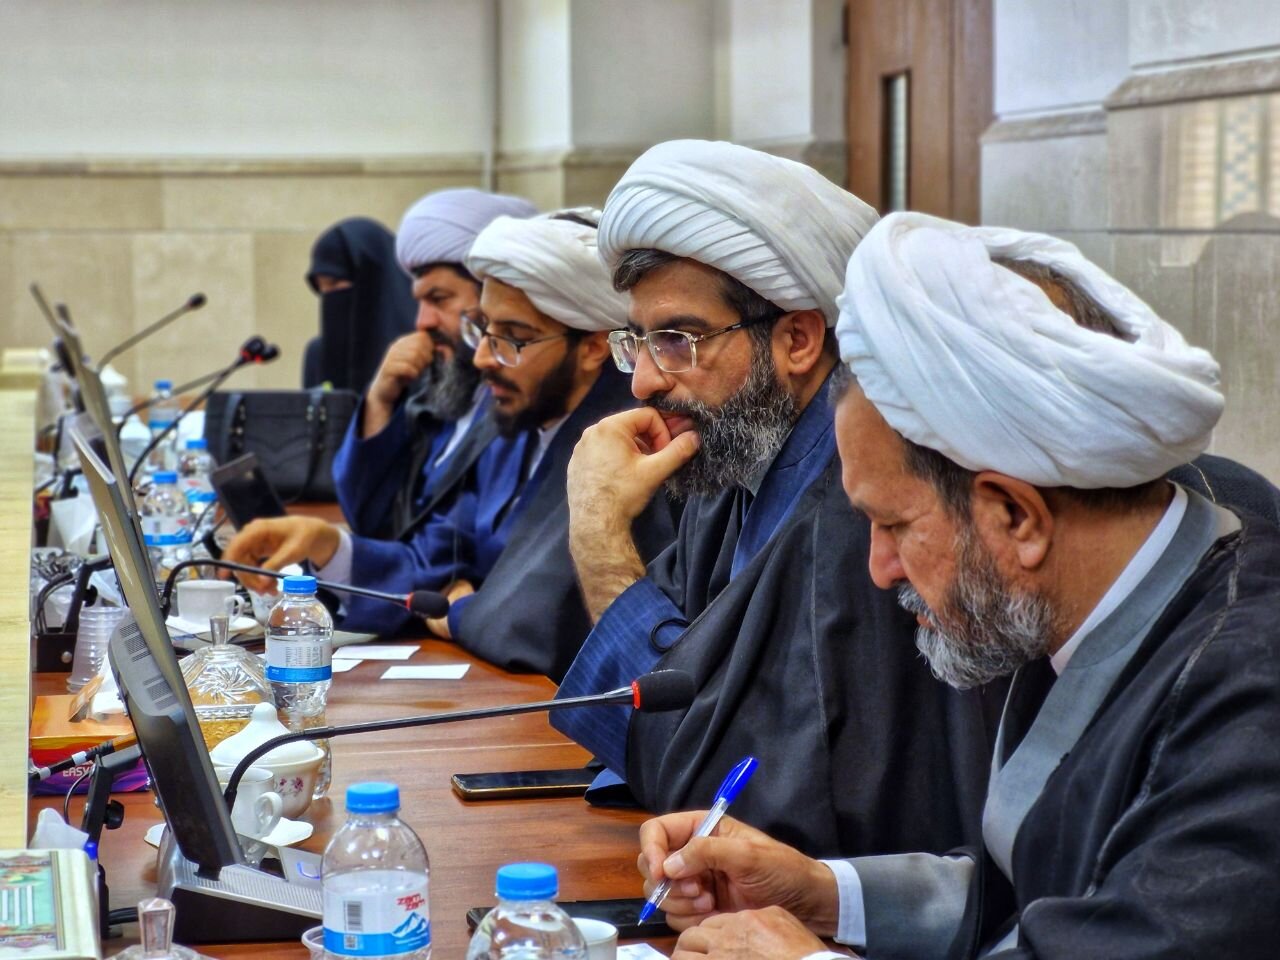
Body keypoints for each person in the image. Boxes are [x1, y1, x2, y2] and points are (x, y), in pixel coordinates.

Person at [637, 213, 1280, 959]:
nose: (879, 568)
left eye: (894, 525)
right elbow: (1052, 891)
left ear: (1016, 516)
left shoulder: (1250, 695)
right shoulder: (1082, 605)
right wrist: (822, 891)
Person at [553, 141, 996, 859]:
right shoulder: (733, 466)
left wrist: (601, 538)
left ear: (797, 338)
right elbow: (678, 696)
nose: (643, 382)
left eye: (678, 340)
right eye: (638, 341)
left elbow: (736, 800)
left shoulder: (860, 514)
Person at [225, 213, 678, 680]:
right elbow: (435, 560)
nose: (482, 358)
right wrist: (328, 547)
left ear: (593, 348)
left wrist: (461, 612)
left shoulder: (630, 449)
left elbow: (540, 623)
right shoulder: (512, 423)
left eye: (512, 338)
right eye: (482, 330)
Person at [331, 189, 538, 539]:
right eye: (420, 302)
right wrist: (380, 399)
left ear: (493, 297)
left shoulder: (519, 403)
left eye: (439, 299)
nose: (422, 322)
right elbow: (370, 518)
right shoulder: (444, 391)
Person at [301, 217, 416, 394]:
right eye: (320, 288)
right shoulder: (318, 354)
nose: (328, 297)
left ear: (372, 279)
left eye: (334, 283)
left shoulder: (413, 348)